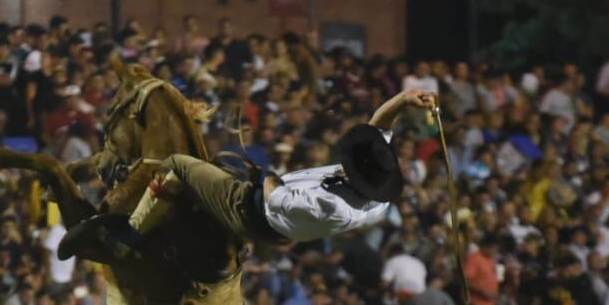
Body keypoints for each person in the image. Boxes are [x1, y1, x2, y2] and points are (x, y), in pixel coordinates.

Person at [59, 88, 436, 260]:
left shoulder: (336, 207)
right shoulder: (370, 190)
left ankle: (129, 234)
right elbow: (377, 129)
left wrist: (264, 175)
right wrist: (404, 100)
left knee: (178, 163)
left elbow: (275, 196)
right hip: (278, 209)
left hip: (256, 211)